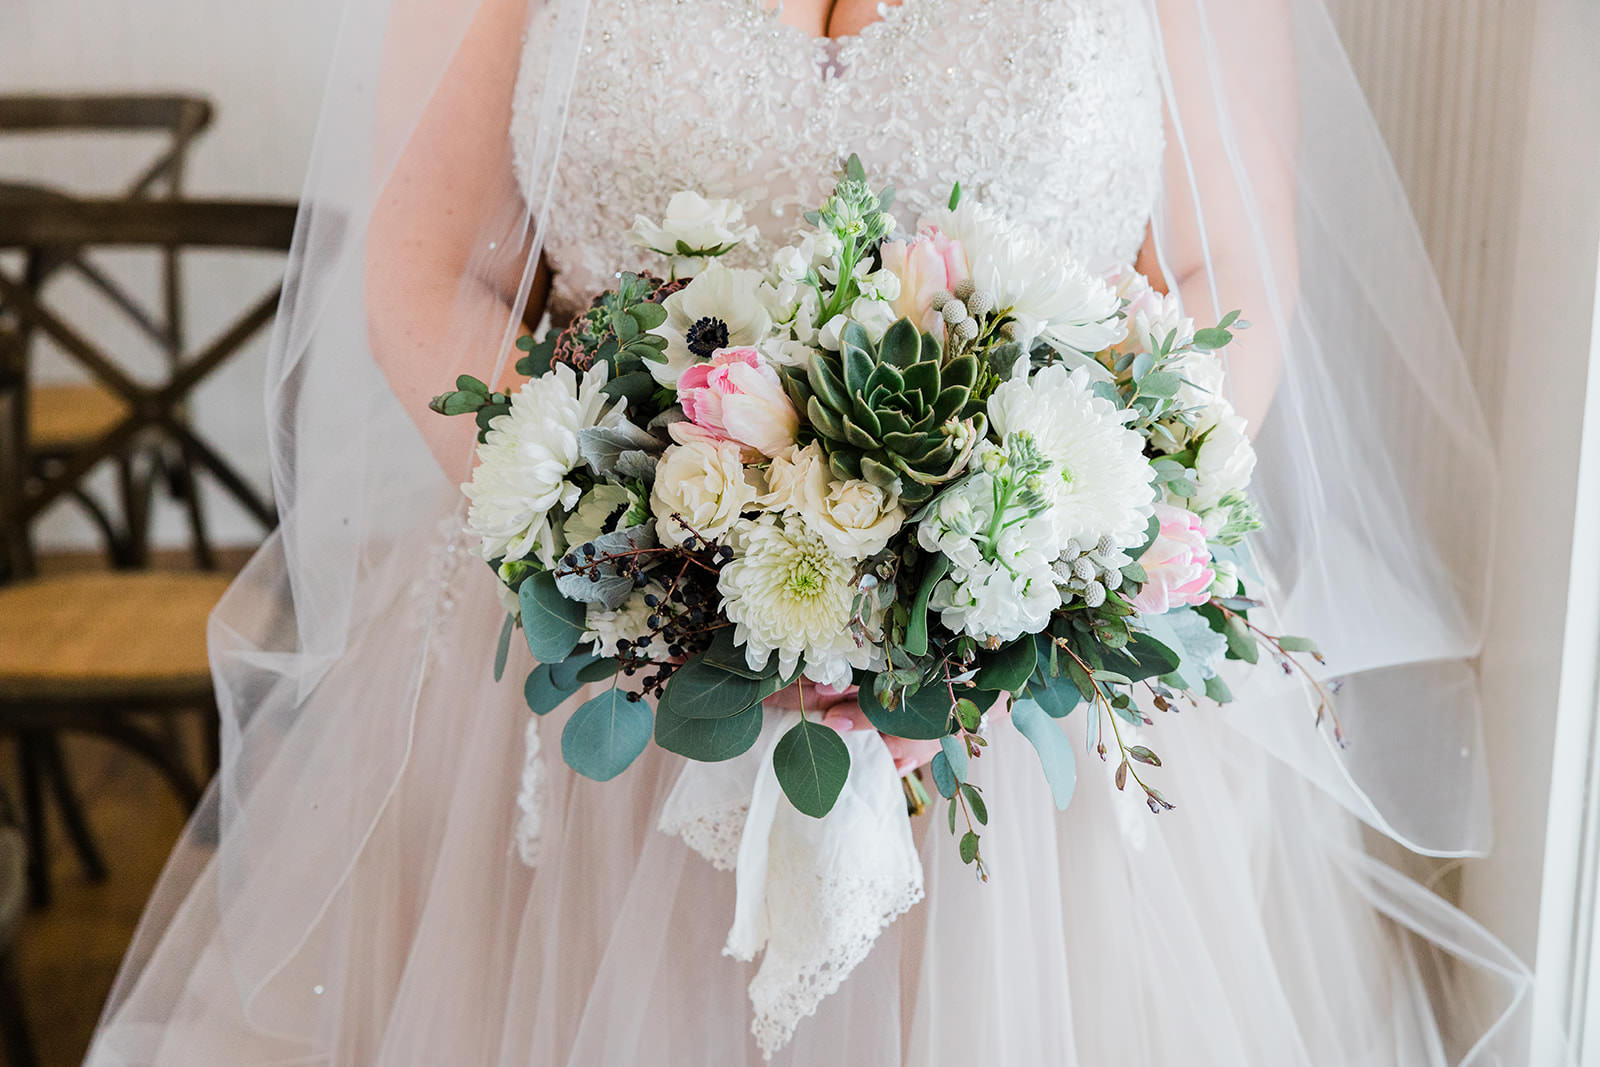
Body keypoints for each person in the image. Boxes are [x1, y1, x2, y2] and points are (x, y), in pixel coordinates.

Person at [87, 0, 1546, 1062]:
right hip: (593, 687)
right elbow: (425, 275)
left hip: (1029, 738)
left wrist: (1004, 584)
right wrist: (637, 553)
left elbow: (1225, 283)